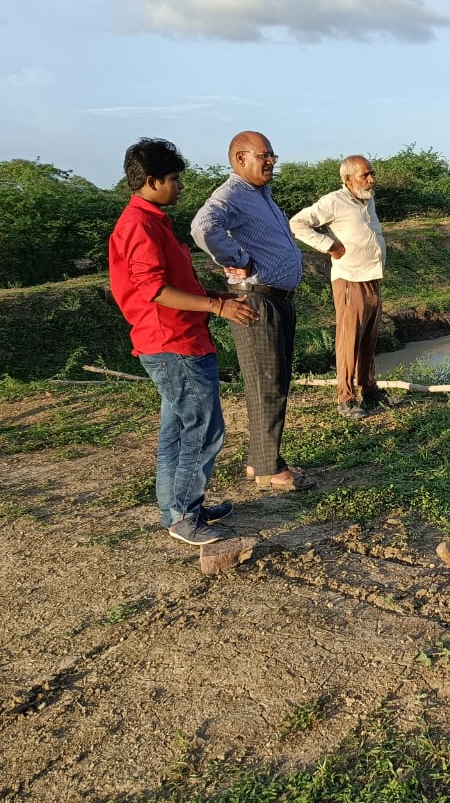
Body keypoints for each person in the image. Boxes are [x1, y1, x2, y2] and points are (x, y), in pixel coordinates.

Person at [108, 137, 256, 545]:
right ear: (151, 181)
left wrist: (215, 297)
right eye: (173, 178)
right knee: (205, 428)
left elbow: (171, 282)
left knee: (176, 429)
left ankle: (176, 510)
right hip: (173, 342)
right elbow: (154, 290)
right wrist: (216, 306)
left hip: (176, 337)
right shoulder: (139, 226)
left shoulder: (152, 220)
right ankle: (185, 515)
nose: (180, 185)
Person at [191, 131, 309, 491]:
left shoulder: (261, 195)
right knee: (266, 382)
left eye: (273, 155)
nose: (271, 161)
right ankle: (268, 469)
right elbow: (202, 227)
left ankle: (260, 460)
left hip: (276, 299)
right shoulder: (231, 194)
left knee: (272, 380)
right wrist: (235, 258)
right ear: (240, 159)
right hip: (257, 300)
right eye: (264, 155)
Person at [289, 155, 392, 419]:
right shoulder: (334, 201)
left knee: (368, 337)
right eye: (365, 175)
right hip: (349, 280)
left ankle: (369, 388)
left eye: (371, 173)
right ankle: (345, 398)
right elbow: (297, 223)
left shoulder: (367, 200)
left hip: (371, 277)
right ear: (347, 179)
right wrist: (330, 246)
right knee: (349, 340)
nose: (371, 179)